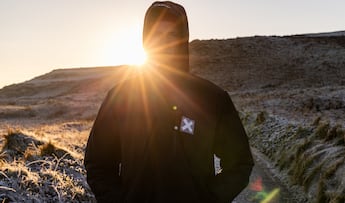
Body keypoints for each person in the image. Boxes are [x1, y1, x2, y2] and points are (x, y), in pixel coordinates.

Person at [84, 1, 254, 203]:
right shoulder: (121, 96)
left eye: (171, 35)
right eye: (155, 36)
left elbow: (240, 162)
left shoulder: (211, 98)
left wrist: (210, 198)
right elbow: (98, 162)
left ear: (182, 40)